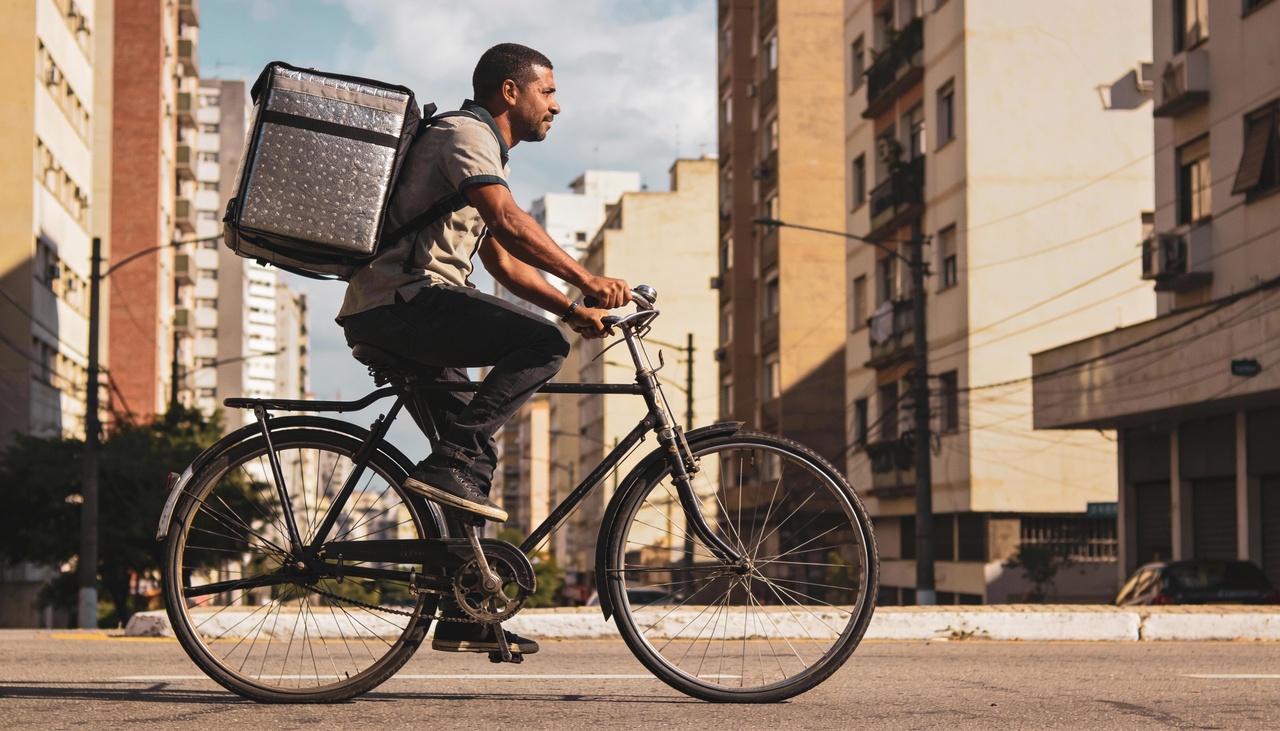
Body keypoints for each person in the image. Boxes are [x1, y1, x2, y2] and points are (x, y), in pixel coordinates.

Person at [337, 43, 629, 655]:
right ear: (509, 92)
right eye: (547, 91)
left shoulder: (478, 150)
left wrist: (576, 312)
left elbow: (500, 261)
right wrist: (585, 279)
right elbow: (509, 224)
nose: (557, 105)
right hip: (407, 304)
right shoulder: (464, 135)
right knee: (539, 346)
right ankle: (449, 466)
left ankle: (465, 612)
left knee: (468, 467)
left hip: (394, 311)